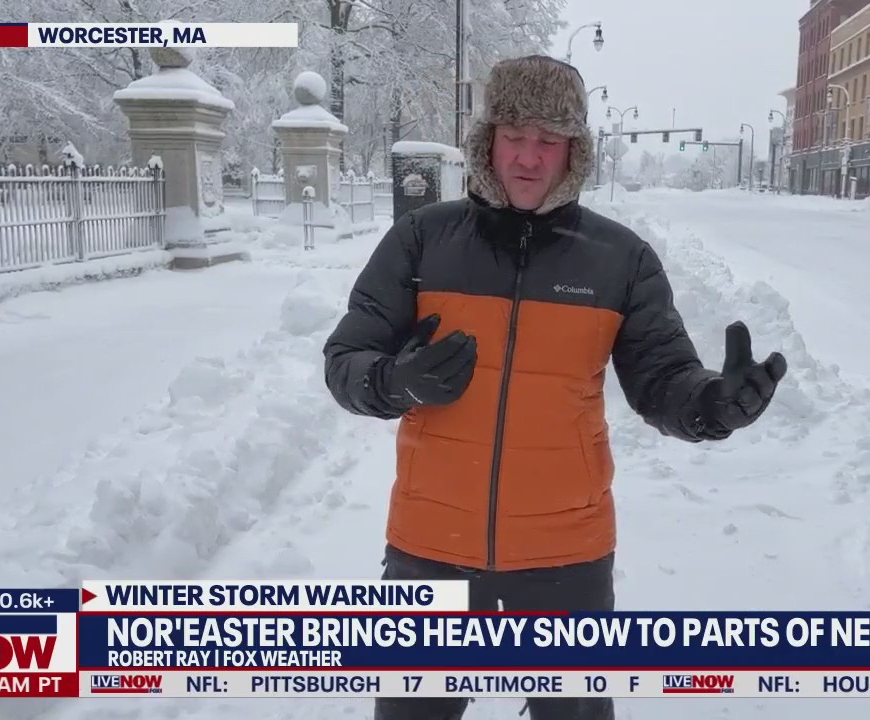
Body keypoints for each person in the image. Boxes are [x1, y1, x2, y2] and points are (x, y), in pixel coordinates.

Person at [323, 54, 787, 720]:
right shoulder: (422, 241)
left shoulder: (620, 260)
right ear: (488, 140)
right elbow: (346, 359)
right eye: (515, 135)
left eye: (549, 140)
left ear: (575, 149)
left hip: (566, 552)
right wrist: (395, 382)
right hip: (431, 546)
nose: (528, 158)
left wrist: (714, 406)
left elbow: (662, 379)